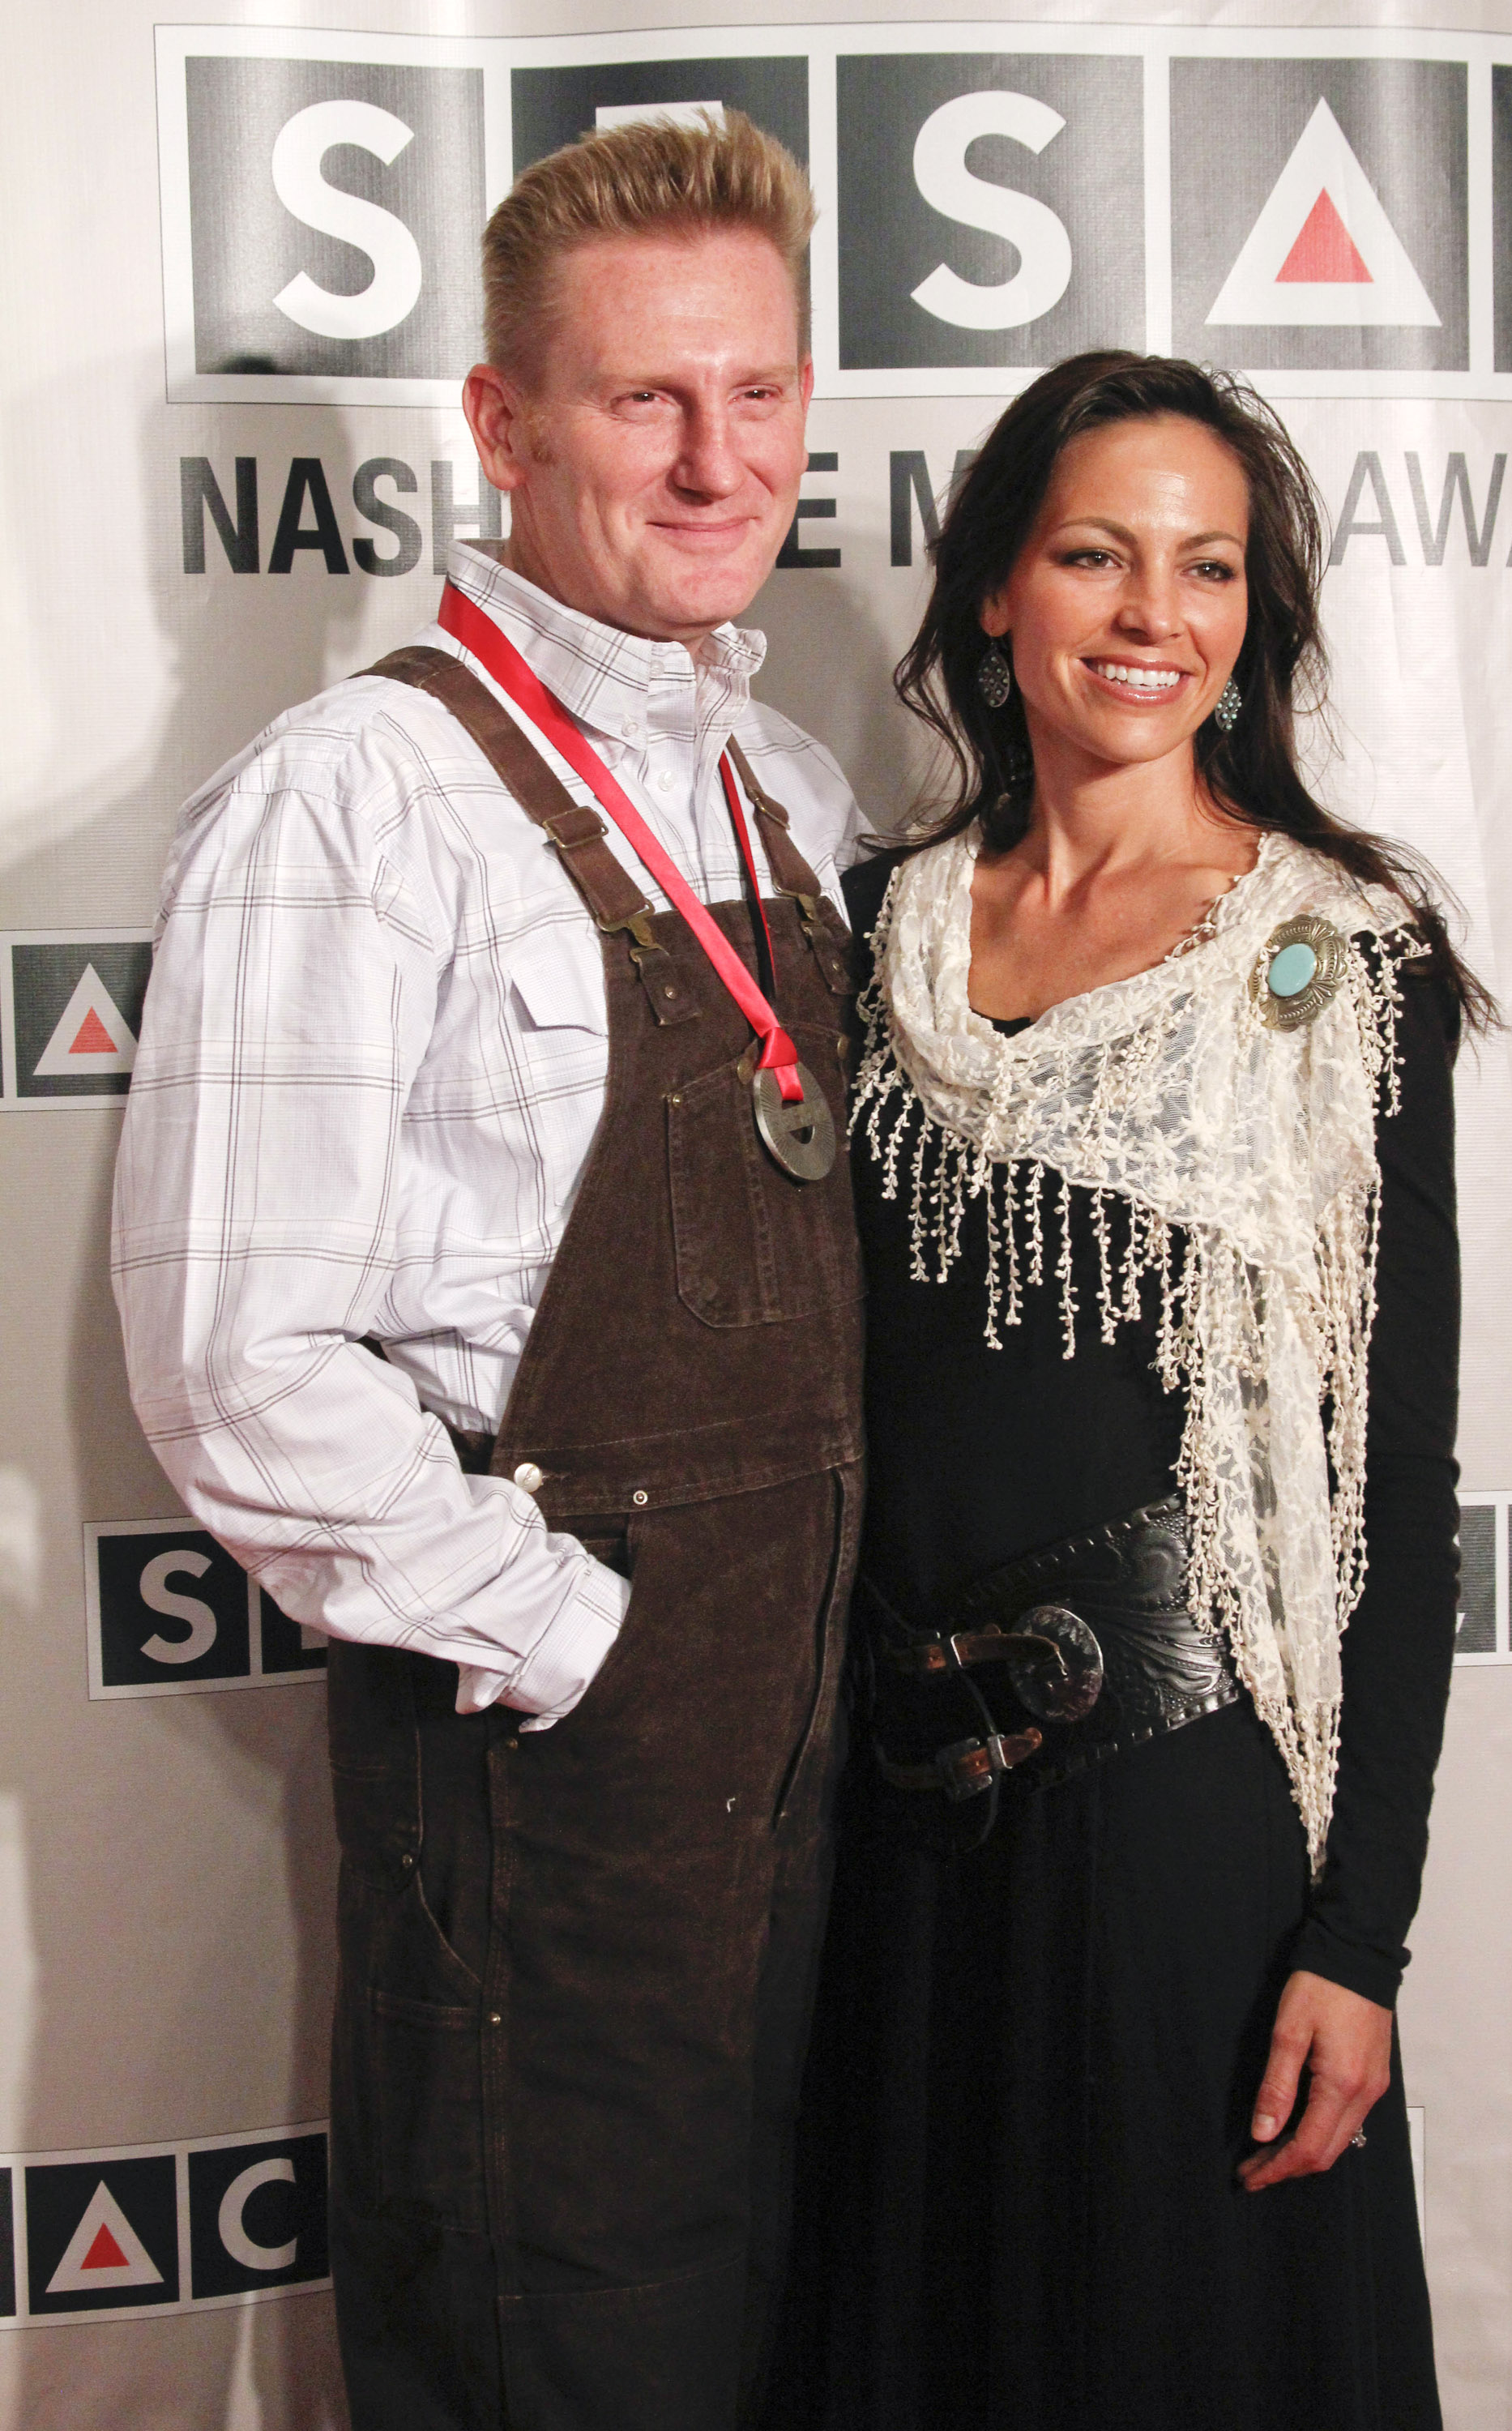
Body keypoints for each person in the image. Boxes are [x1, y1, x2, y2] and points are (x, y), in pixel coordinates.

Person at [113, 113, 866, 2431]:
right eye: (645, 398)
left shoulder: (797, 795)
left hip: (815, 1792)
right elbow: (238, 1356)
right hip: (558, 1816)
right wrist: (592, 1653)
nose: (711, 455)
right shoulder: (358, 801)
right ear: (503, 423)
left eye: (755, 393)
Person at [769, 352, 1488, 2430]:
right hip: (903, 1847)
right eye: (1093, 553)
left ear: (1254, 616)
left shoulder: (1343, 969)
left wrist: (1359, 1938)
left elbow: (1392, 1490)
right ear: (996, 587)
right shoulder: (867, 938)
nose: (1151, 614)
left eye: (1207, 567)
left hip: (1194, 1831)